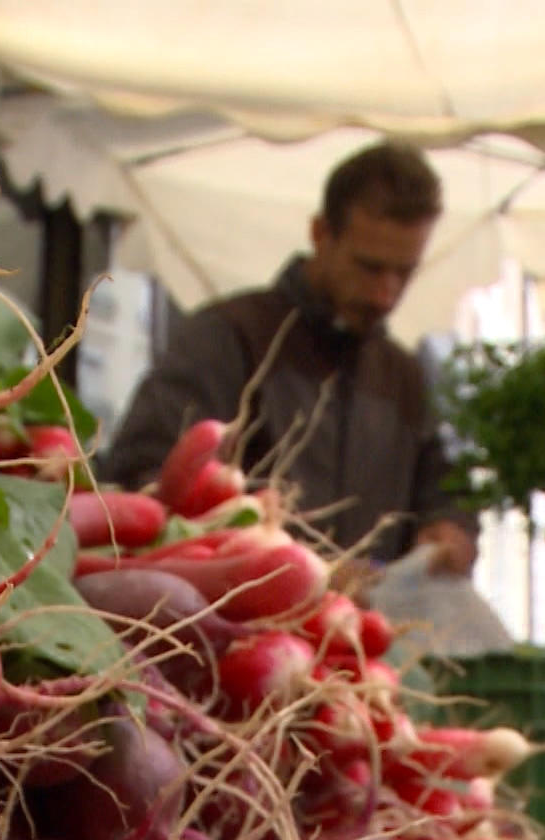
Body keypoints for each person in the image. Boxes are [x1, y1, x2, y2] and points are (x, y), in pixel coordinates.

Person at [95, 140, 478, 578]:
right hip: (231, 627)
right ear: (320, 233)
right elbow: (143, 481)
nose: (385, 294)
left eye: (404, 272)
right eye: (369, 267)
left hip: (365, 633)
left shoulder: (404, 376)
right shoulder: (227, 337)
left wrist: (451, 529)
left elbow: (444, 489)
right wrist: (251, 538)